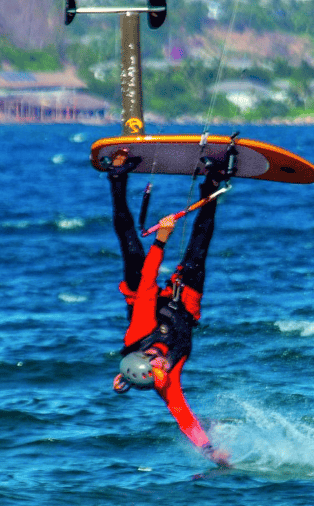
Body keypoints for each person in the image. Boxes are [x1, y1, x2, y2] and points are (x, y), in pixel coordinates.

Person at [106, 149, 230, 466]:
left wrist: (160, 240)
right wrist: (210, 452)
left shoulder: (140, 333)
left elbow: (148, 281)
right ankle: (213, 180)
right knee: (199, 247)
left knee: (131, 245)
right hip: (183, 305)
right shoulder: (165, 382)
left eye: (154, 360)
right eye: (159, 368)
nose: (161, 362)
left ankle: (117, 177)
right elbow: (184, 417)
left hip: (143, 300)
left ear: (144, 356)